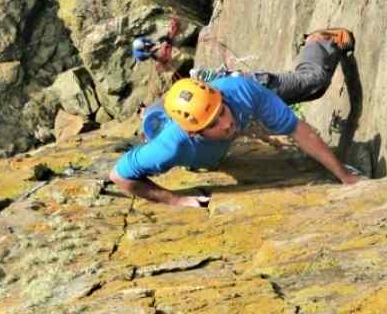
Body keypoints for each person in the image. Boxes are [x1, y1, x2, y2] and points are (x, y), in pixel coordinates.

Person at [109, 28, 359, 207]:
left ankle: (319, 40)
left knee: (313, 83)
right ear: (193, 132)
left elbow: (299, 130)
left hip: (238, 91)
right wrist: (175, 200)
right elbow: (120, 176)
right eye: (213, 124)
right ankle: (150, 114)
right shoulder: (171, 146)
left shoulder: (238, 92)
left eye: (222, 112)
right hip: (172, 117)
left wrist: (344, 176)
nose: (226, 123)